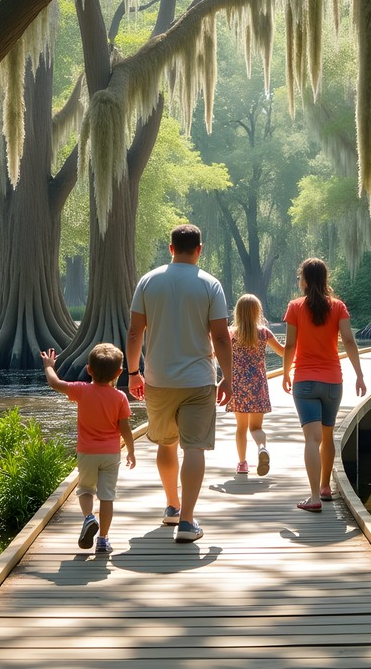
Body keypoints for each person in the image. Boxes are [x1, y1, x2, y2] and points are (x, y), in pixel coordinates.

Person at [126, 224, 232, 543]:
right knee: (194, 447)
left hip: (158, 379)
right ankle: (187, 522)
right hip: (199, 380)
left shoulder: (148, 281)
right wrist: (228, 376)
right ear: (200, 249)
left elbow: (134, 333)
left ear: (170, 248)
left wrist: (133, 373)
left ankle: (172, 506)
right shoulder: (210, 285)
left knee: (165, 443)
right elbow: (221, 338)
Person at [283, 258, 366, 513]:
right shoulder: (338, 307)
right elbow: (350, 342)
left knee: (311, 438)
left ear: (305, 280)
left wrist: (286, 372)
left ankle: (313, 497)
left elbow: (289, 345)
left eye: (300, 278)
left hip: (305, 382)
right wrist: (359, 375)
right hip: (333, 382)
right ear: (325, 279)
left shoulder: (295, 307)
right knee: (327, 437)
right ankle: (326, 487)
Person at [41, 343, 136, 555]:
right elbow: (125, 428)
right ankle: (103, 539)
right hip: (111, 454)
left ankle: (88, 517)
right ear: (119, 373)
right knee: (107, 496)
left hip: (87, 452)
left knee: (85, 490)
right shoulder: (120, 397)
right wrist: (131, 450)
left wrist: (48, 365)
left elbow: (55, 382)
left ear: (89, 369)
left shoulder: (82, 391)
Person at [226, 294, 285, 477]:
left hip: (238, 384)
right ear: (257, 312)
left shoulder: (232, 334)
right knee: (256, 428)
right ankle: (261, 448)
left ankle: (242, 464)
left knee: (241, 427)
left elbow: (218, 354)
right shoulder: (264, 333)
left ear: (238, 312)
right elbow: (283, 352)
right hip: (258, 384)